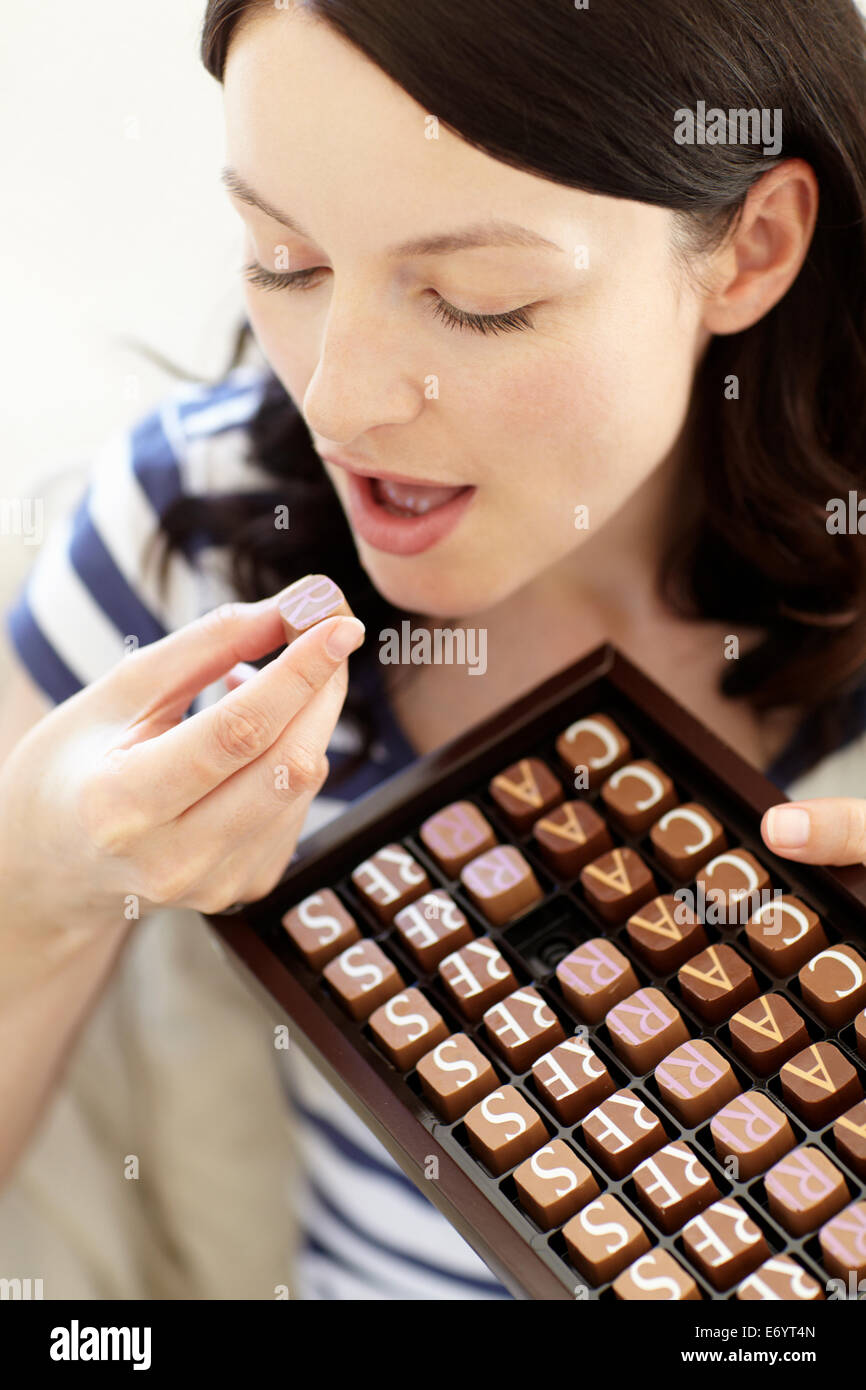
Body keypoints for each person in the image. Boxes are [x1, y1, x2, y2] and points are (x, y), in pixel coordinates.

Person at [1, 0, 865, 1300]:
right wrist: (40, 885)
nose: (338, 399)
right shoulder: (186, 530)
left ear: (751, 246)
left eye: (479, 302)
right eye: (282, 257)